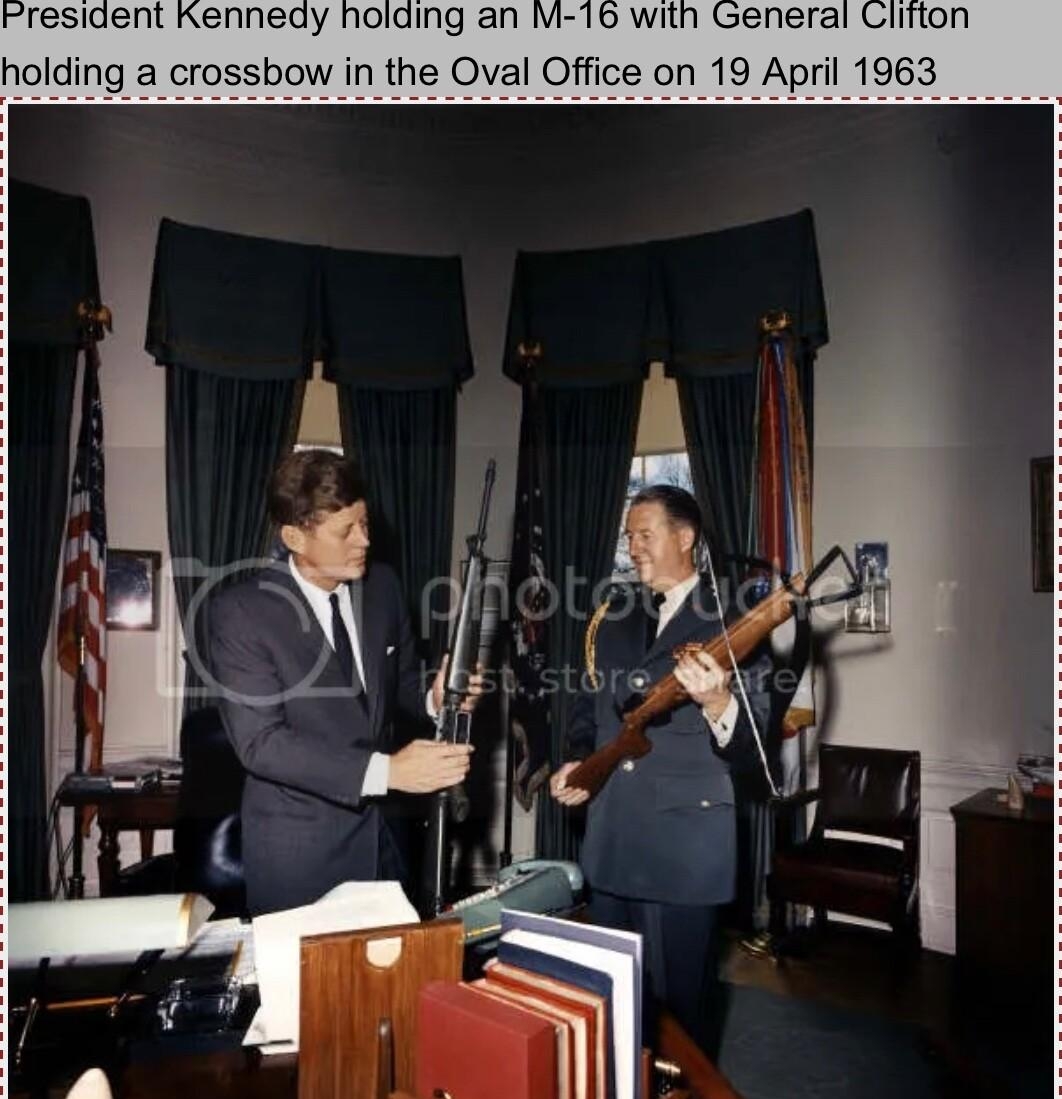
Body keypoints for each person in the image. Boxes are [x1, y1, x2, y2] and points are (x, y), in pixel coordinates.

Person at [209, 449, 479, 915]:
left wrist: (435, 698)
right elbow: (263, 744)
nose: (364, 541)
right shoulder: (241, 612)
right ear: (294, 536)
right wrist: (388, 772)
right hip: (300, 857)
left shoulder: (382, 589)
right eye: (345, 531)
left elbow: (400, 686)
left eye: (366, 523)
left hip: (387, 846)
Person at [550, 484, 770, 1054]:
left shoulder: (735, 617)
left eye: (644, 534)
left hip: (683, 844)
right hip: (613, 833)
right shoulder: (614, 616)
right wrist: (578, 761)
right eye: (629, 537)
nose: (633, 548)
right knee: (614, 1003)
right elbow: (587, 705)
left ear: (686, 537)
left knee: (681, 1014)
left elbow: (757, 742)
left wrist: (720, 703)